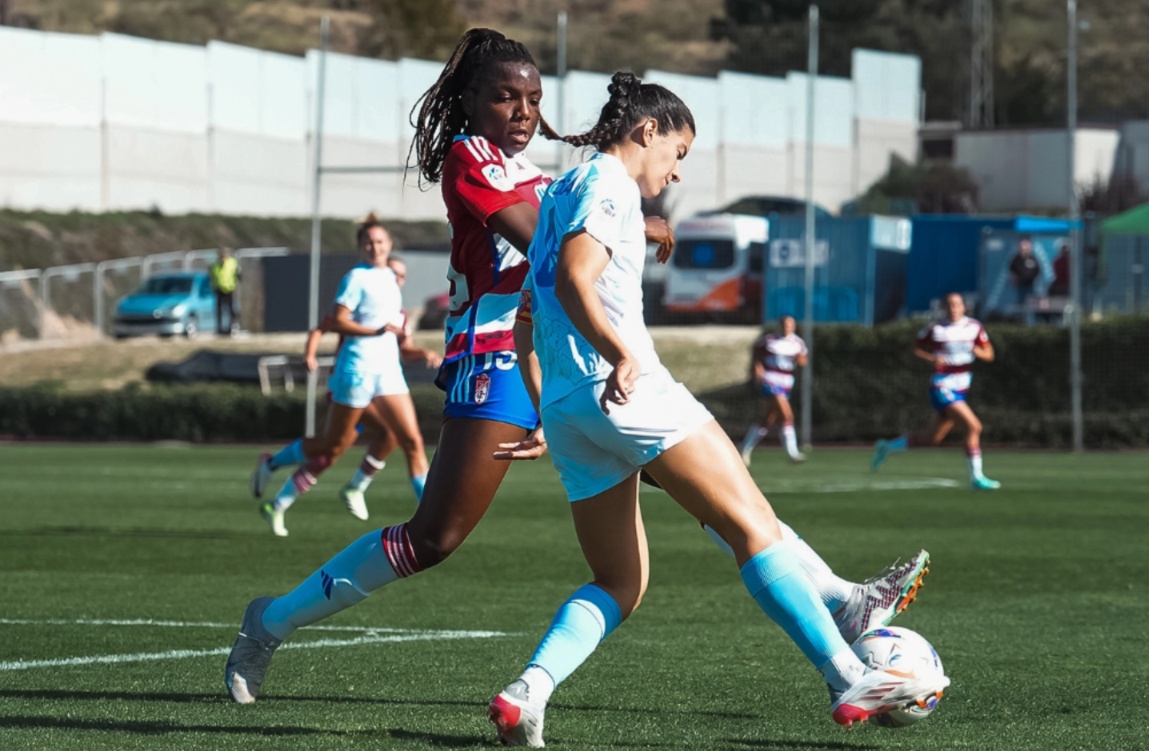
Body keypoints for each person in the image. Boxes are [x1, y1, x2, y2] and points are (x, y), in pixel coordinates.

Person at [223, 30, 927, 711]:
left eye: (532, 100)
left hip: (558, 367)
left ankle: (840, 599)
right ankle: (271, 620)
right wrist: (630, 227)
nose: (523, 113)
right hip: (496, 360)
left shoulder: (546, 177)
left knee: (701, 493)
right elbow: (544, 244)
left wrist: (625, 229)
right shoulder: (474, 157)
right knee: (434, 537)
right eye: (505, 98)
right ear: (469, 101)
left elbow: (571, 227)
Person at [487, 72, 946, 748]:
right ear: (645, 132)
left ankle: (527, 692)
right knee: (753, 528)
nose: (675, 172)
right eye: (678, 153)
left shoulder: (557, 196)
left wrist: (539, 409)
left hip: (566, 408)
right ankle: (847, 671)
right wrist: (621, 355)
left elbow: (526, 318)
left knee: (619, 581)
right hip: (627, 391)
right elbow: (574, 280)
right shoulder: (608, 184)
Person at [252, 215, 430, 537]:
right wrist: (373, 331)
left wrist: (420, 351)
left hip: (388, 372)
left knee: (410, 440)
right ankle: (273, 465)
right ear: (361, 247)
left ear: (389, 245)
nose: (375, 247)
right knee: (330, 447)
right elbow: (336, 322)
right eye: (369, 242)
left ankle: (428, 516)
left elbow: (396, 336)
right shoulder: (356, 278)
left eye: (380, 242)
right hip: (357, 370)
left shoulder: (391, 280)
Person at [871, 291, 1000, 490]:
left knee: (932, 439)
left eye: (957, 304)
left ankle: (886, 448)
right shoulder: (936, 329)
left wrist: (979, 352)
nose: (953, 308)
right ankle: (977, 478)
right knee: (974, 427)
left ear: (964, 307)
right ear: (943, 308)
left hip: (961, 388)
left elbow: (990, 353)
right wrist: (931, 358)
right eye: (949, 305)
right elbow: (915, 348)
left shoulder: (974, 327)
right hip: (942, 387)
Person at [739, 314, 807, 466]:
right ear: (780, 325)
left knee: (768, 419)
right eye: (784, 324)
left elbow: (803, 361)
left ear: (794, 327)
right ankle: (793, 453)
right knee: (787, 415)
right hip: (770, 379)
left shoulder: (798, 343)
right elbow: (756, 353)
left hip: (786, 381)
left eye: (790, 325)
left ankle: (745, 447)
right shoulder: (769, 340)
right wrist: (757, 367)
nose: (787, 327)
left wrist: (798, 358)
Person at [1007, 237, 1040, 323]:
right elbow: (1012, 271)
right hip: (1020, 287)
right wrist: (1014, 280)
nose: (1024, 248)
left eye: (1026, 246)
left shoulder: (1033, 258)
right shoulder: (1016, 259)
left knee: (1031, 306)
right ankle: (1020, 322)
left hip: (1031, 286)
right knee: (1020, 305)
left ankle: (1031, 322)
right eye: (1022, 246)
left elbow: (1038, 270)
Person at [209, 247, 240, 336]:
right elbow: (212, 276)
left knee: (231, 310)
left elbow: (237, 274)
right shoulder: (215, 265)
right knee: (219, 310)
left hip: (230, 289)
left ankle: (232, 328)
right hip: (219, 289)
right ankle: (219, 328)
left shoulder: (232, 263)